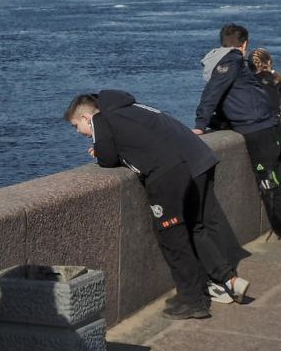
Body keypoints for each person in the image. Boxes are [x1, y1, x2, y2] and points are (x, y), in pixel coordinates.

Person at [66, 91, 250, 319]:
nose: (78, 132)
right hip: (196, 161)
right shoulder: (130, 109)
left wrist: (101, 148)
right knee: (195, 227)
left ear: (86, 118)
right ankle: (227, 279)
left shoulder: (101, 119)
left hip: (169, 175)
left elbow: (106, 158)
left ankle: (192, 300)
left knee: (173, 237)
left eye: (76, 125)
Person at [196, 24, 281, 251]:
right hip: (257, 130)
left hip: (265, 126)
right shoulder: (231, 61)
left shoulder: (234, 63)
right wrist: (201, 124)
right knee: (272, 182)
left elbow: (229, 95)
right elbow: (214, 91)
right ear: (245, 44)